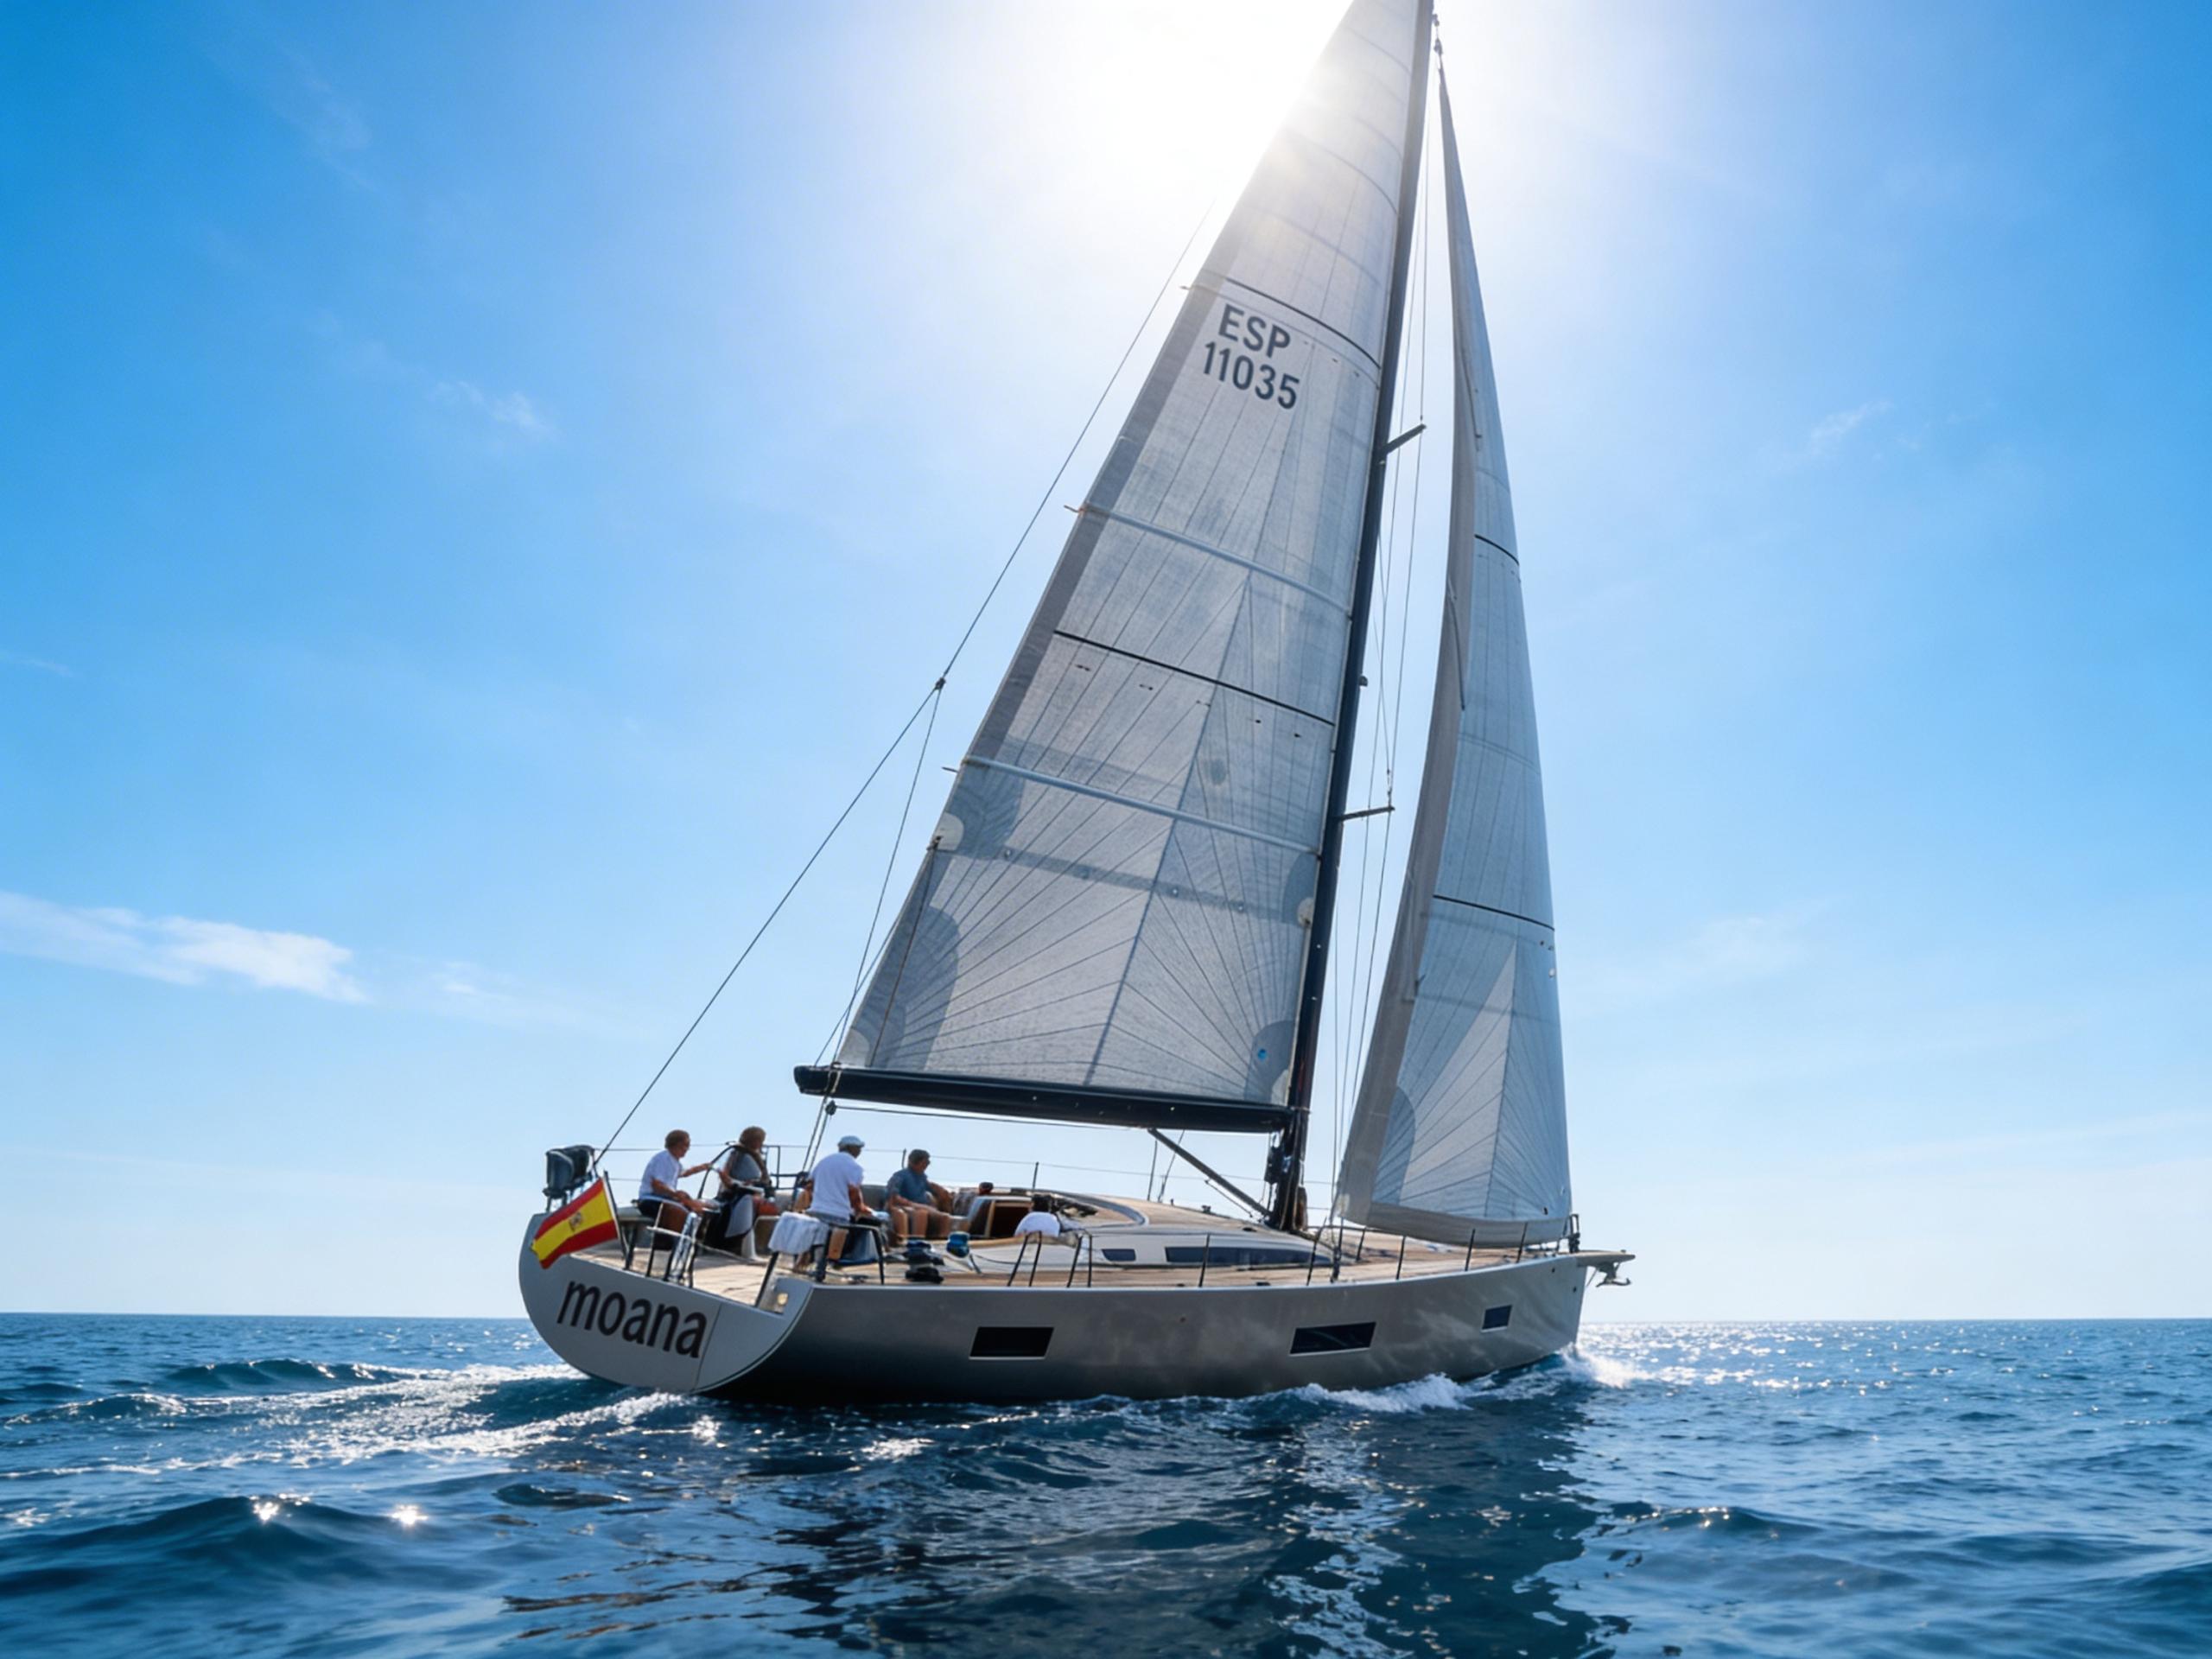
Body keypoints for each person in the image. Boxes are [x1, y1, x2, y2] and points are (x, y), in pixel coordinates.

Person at [802, 1132, 878, 1267]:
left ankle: (807, 1263)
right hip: (838, 1215)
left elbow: (809, 1186)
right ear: (850, 1148)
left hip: (816, 1211)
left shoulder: (823, 1162)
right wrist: (861, 1209)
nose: (860, 1151)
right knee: (848, 1236)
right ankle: (834, 1263)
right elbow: (853, 1191)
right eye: (858, 1148)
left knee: (816, 1241)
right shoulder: (854, 1167)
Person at [638, 1129, 714, 1239]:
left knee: (697, 1206)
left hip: (663, 1200)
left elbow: (684, 1173)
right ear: (677, 1144)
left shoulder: (675, 1163)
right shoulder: (663, 1159)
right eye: (685, 1145)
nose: (687, 1149)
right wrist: (676, 1194)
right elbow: (657, 1185)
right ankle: (673, 1242)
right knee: (683, 1212)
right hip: (651, 1200)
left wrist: (703, 1167)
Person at [714, 1126, 776, 1260]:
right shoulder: (737, 1153)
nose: (761, 1143)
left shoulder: (756, 1156)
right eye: (760, 1140)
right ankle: (739, 1243)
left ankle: (762, 1246)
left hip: (751, 1191)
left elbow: (763, 1178)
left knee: (770, 1208)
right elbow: (725, 1173)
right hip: (735, 1194)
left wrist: (754, 1182)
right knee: (751, 1203)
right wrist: (734, 1184)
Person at [884, 1149, 955, 1243]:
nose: (926, 1166)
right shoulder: (900, 1175)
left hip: (921, 1206)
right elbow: (893, 1197)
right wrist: (914, 1205)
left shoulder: (922, 1177)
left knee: (945, 1217)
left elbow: (932, 1189)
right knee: (921, 1214)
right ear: (914, 1162)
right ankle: (916, 1243)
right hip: (904, 1206)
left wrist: (943, 1193)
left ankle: (940, 1243)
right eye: (924, 1163)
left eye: (927, 1163)